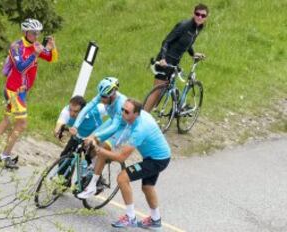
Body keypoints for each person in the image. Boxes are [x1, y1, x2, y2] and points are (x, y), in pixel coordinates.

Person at [79, 99, 171, 230]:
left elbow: (121, 157)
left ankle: (130, 217)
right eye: (122, 109)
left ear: (136, 113)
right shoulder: (134, 118)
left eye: (126, 111)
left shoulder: (140, 129)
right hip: (158, 156)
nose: (122, 113)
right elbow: (117, 133)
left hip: (156, 160)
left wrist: (100, 150)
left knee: (122, 178)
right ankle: (155, 220)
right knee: (147, 187)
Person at [0, 18, 58, 169]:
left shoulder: (35, 45)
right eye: (33, 33)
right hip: (14, 91)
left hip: (20, 91)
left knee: (7, 121)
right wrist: (35, 55)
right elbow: (20, 68)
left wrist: (52, 47)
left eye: (38, 33)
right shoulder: (16, 47)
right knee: (22, 124)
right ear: (25, 32)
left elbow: (51, 58)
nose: (36, 36)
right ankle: (4, 156)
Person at [144, 3, 209, 112]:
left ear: (206, 17)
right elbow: (166, 42)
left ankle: (148, 116)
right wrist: (163, 58)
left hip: (174, 62)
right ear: (193, 13)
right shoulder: (184, 25)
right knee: (156, 93)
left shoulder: (198, 27)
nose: (199, 17)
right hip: (165, 61)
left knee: (163, 91)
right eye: (197, 14)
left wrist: (193, 54)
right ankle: (140, 119)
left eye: (203, 15)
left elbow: (187, 42)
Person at [70, 77, 127, 145]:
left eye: (104, 97)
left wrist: (96, 135)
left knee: (105, 146)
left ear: (112, 95)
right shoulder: (103, 94)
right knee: (89, 141)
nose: (101, 99)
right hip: (113, 120)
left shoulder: (121, 104)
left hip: (126, 127)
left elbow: (114, 127)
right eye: (101, 96)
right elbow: (86, 109)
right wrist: (75, 126)